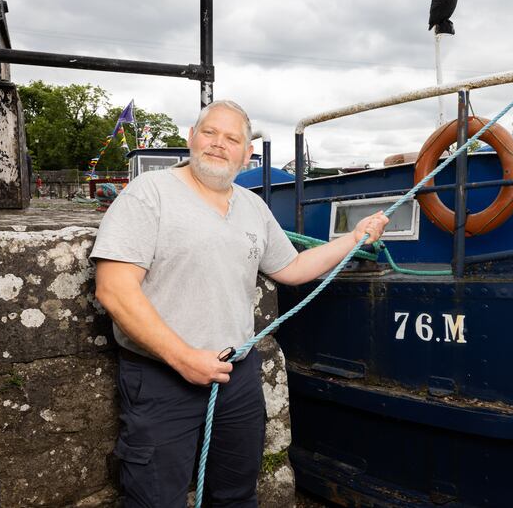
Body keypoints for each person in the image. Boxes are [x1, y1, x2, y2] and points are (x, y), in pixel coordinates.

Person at [91, 100, 388, 507]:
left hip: (237, 376)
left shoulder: (252, 206)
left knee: (236, 494)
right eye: (209, 132)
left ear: (246, 153)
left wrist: (353, 239)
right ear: (191, 138)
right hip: (161, 377)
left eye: (232, 139)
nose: (218, 144)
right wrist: (182, 357)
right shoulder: (149, 194)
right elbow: (114, 288)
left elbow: (294, 267)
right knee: (154, 499)